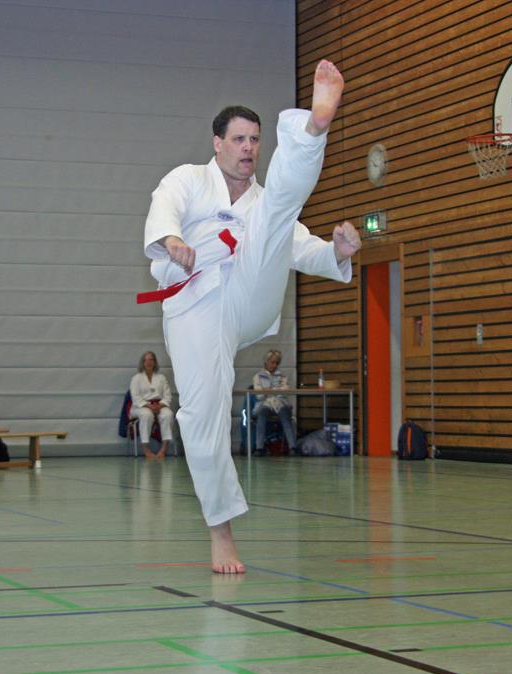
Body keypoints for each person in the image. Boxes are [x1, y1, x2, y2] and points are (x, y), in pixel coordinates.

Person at [142, 60, 360, 573]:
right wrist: (173, 240)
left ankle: (313, 128)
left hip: (248, 296)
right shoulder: (189, 180)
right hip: (195, 304)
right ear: (217, 143)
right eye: (238, 139)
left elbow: (303, 249)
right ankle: (221, 532)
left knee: (278, 213)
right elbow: (164, 210)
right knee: (201, 415)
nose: (248, 148)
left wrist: (339, 251)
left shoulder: (262, 203)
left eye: (255, 140)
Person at [129, 351, 175, 458]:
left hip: (159, 405)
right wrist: (149, 406)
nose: (148, 362)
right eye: (146, 360)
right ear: (142, 363)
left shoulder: (161, 378)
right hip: (140, 406)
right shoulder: (136, 378)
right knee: (146, 414)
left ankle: (163, 449)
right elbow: (135, 397)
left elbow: (167, 396)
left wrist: (160, 405)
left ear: (155, 362)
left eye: (151, 360)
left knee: (168, 414)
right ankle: (146, 450)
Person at [251, 349, 297, 455]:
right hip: (265, 404)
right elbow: (259, 395)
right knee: (261, 415)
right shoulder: (257, 376)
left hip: (280, 403)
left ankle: (293, 447)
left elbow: (284, 392)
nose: (275, 365)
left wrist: (268, 390)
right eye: (272, 362)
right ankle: (259, 448)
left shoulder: (283, 376)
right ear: (266, 362)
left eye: (277, 363)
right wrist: (276, 389)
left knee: (286, 417)